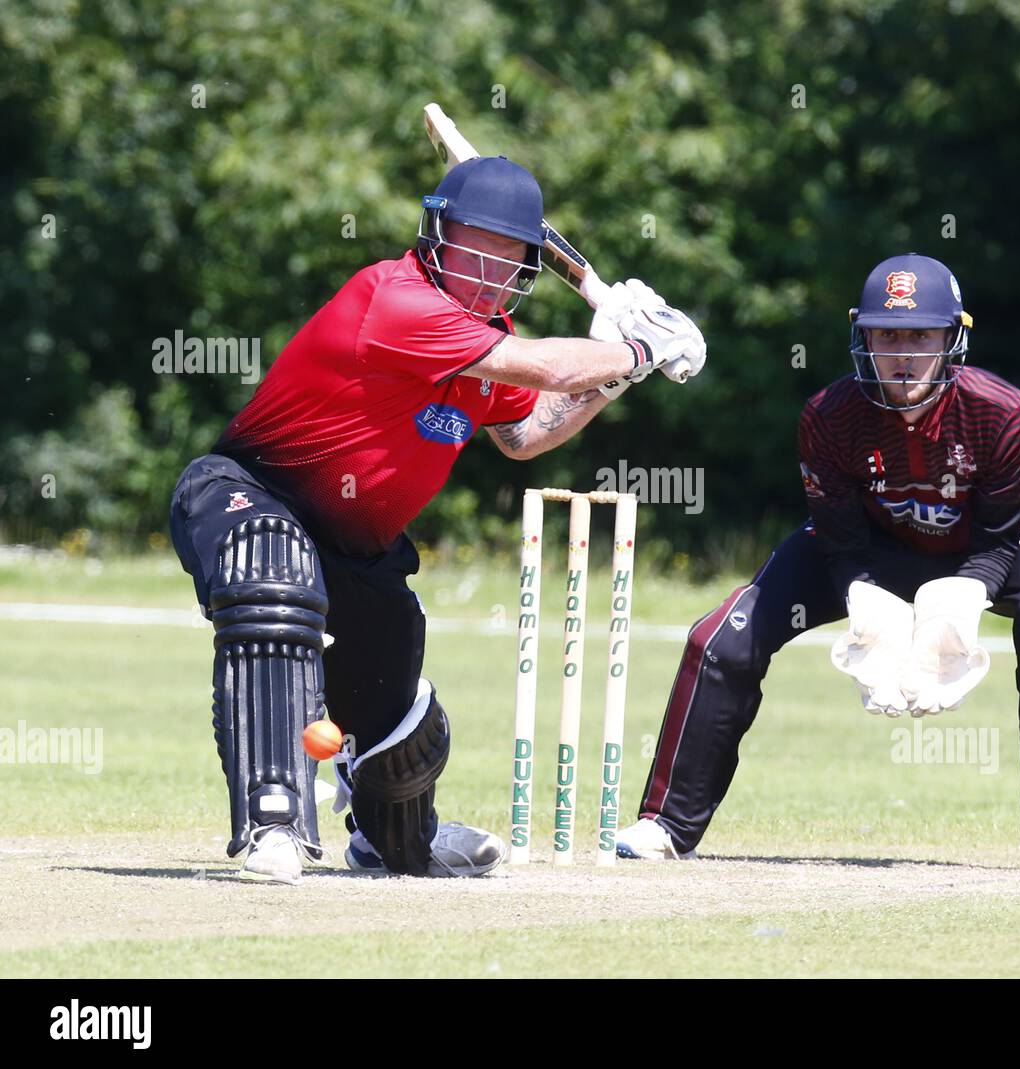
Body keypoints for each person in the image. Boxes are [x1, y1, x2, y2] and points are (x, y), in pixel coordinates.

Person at [169, 155, 705, 884]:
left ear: (526, 263)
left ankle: (395, 838)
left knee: (398, 704)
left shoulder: (488, 340)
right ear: (437, 236)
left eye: (506, 253)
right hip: (248, 495)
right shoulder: (394, 300)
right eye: (472, 245)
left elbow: (527, 433)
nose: (485, 268)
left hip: (357, 551)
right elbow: (545, 368)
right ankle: (274, 823)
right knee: (274, 570)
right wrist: (640, 344)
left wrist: (616, 372)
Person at [617, 253, 1020, 873]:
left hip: (988, 544)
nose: (903, 353)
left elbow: (1000, 529)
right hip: (870, 543)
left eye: (921, 335)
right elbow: (838, 537)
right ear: (863, 337)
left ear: (953, 337)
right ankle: (666, 824)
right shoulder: (828, 416)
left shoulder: (1004, 411)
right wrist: (863, 594)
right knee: (725, 635)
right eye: (887, 334)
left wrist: (967, 594)